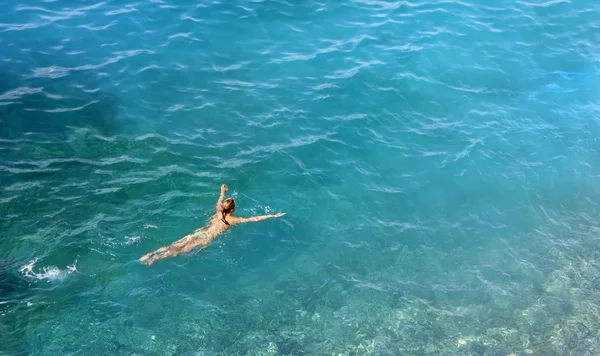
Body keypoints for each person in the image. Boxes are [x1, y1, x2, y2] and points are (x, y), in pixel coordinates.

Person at [139, 184, 285, 266]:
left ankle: (150, 254)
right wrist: (273, 215)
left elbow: (219, 200)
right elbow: (254, 219)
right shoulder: (232, 220)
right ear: (232, 210)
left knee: (176, 243)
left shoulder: (218, 212)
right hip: (205, 239)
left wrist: (222, 192)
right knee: (179, 251)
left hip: (199, 232)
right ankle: (157, 258)